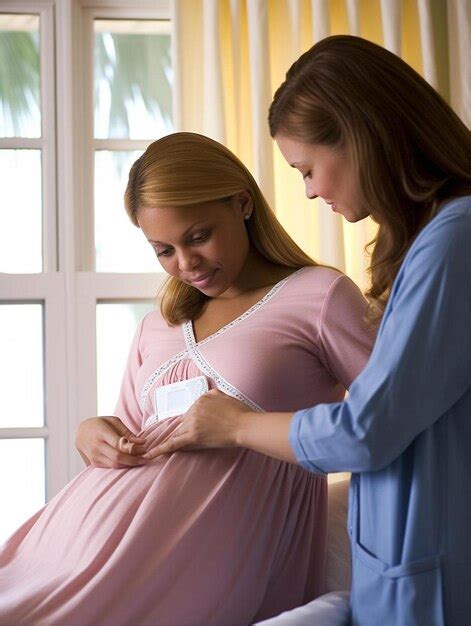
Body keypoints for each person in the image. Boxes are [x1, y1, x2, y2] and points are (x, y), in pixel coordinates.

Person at [143, 37, 471, 626]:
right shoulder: (434, 243)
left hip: (431, 577)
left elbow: (367, 428)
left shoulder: (453, 242)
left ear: (363, 136)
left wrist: (236, 424)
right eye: (163, 249)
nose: (312, 191)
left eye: (309, 169)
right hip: (397, 570)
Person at [0, 132, 374, 626]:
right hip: (79, 543)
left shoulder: (319, 296)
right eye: (163, 250)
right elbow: (130, 435)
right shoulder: (156, 326)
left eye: (198, 236)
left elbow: (387, 421)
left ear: (242, 203)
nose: (185, 264)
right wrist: (91, 432)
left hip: (190, 569)